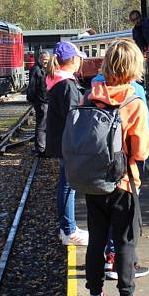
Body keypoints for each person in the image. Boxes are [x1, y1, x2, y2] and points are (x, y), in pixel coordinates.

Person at [84, 40, 149, 296]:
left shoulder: (91, 95)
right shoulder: (133, 100)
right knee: (125, 241)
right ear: (134, 67)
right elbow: (139, 151)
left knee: (96, 241)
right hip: (123, 183)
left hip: (93, 183)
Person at [90, 69, 149, 281]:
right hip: (123, 176)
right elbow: (143, 139)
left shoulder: (93, 89)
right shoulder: (134, 92)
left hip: (94, 174)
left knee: (96, 238)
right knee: (125, 236)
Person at [44, 41, 88, 246]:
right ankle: (69, 230)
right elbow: (73, 116)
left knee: (65, 184)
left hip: (60, 140)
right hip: (67, 141)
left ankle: (66, 227)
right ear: (72, 60)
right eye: (79, 57)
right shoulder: (67, 85)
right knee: (68, 186)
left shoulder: (56, 81)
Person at [26, 51, 49, 154]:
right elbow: (32, 86)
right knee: (41, 125)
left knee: (43, 124)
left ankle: (41, 146)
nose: (46, 62)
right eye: (44, 60)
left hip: (45, 100)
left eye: (47, 60)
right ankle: (40, 148)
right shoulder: (36, 70)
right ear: (40, 59)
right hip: (41, 101)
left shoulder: (45, 69)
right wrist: (32, 99)